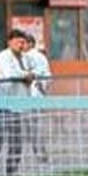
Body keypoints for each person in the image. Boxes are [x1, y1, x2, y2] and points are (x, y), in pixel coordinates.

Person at [0, 30, 33, 176]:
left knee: (17, 140)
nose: (21, 45)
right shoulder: (3, 56)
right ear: (10, 42)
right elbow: (7, 74)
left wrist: (28, 76)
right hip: (4, 102)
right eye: (18, 42)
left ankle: (12, 172)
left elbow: (33, 72)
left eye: (23, 42)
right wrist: (24, 75)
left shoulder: (25, 58)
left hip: (19, 102)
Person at [22, 32, 51, 164]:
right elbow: (48, 75)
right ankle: (40, 152)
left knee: (31, 126)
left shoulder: (27, 56)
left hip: (29, 95)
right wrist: (43, 88)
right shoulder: (41, 57)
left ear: (30, 44)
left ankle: (38, 152)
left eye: (24, 43)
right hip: (37, 95)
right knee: (36, 126)